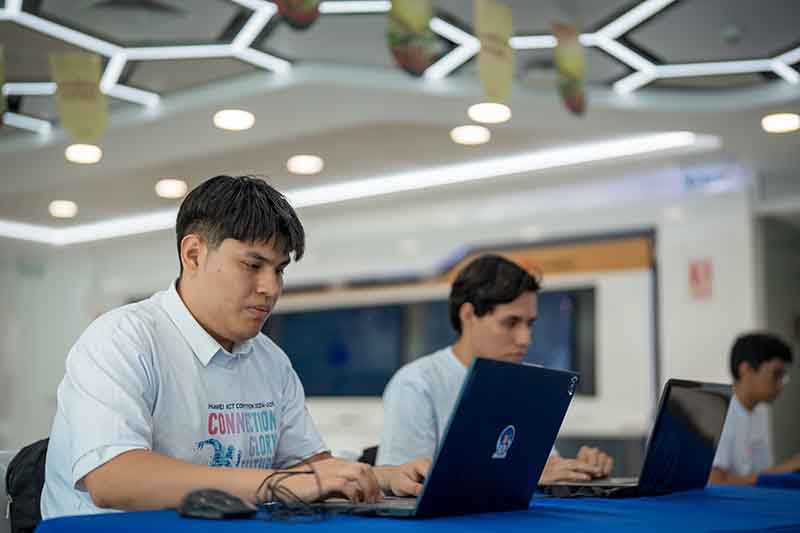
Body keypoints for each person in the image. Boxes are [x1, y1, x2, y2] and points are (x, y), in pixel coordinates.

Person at [41, 175, 429, 518]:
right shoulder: (123, 338)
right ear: (193, 254)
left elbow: (312, 469)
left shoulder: (269, 359)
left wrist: (386, 477)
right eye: (252, 265)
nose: (272, 288)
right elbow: (114, 480)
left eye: (279, 270)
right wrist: (280, 484)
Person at [377, 254, 613, 483]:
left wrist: (580, 468)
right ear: (468, 315)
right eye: (510, 323)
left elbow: (546, 469)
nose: (525, 339)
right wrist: (522, 475)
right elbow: (406, 487)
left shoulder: (524, 385)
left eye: (529, 324)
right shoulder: (417, 384)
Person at [710, 332, 798, 485]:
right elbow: (716, 482)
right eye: (776, 374)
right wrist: (789, 467)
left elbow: (760, 475)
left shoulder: (759, 412)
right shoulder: (719, 411)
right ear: (746, 370)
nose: (781, 384)